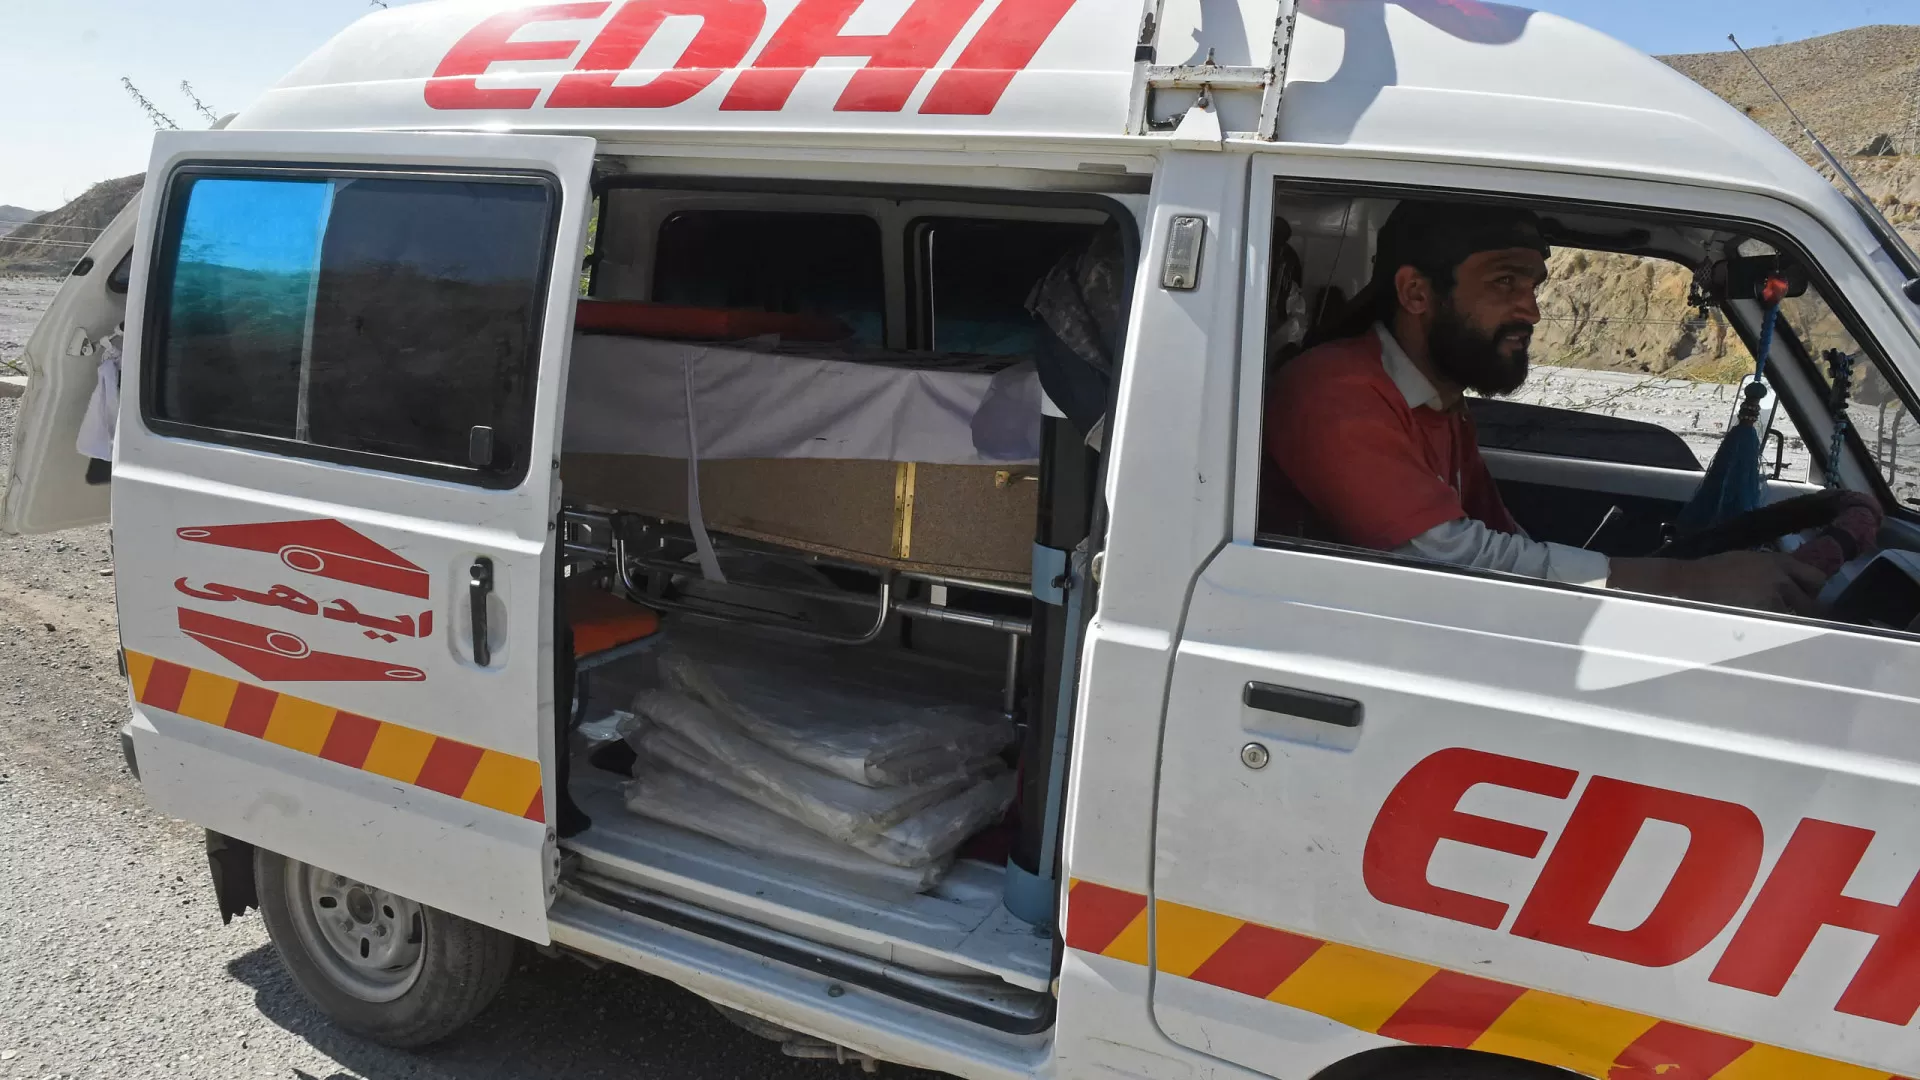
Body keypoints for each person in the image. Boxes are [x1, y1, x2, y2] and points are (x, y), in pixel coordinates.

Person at [1263, 201, 1829, 615]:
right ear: (1416, 293)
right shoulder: (1332, 392)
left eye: (1532, 286)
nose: (1531, 311)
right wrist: (1688, 584)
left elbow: (1498, 534)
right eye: (1504, 281)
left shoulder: (1440, 399)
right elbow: (1448, 560)